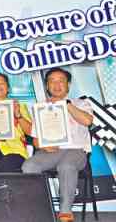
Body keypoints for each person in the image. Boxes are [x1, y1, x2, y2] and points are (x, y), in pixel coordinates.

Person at [22, 68, 93, 222]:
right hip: (51, 152)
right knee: (29, 166)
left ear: (68, 85)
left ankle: (65, 212)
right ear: (47, 86)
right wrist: (42, 145)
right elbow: (35, 139)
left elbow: (87, 121)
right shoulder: (41, 108)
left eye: (61, 80)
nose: (56, 84)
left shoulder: (81, 102)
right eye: (52, 81)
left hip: (76, 151)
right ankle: (39, 207)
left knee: (66, 166)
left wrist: (66, 105)